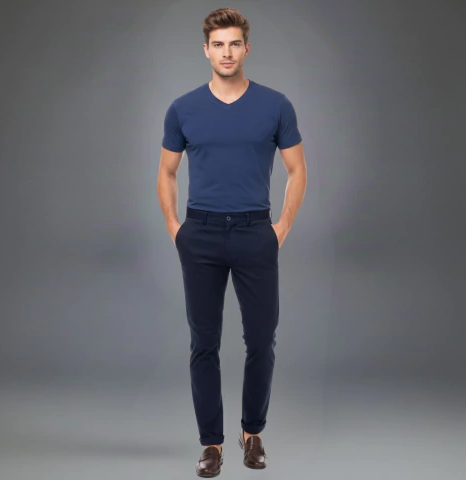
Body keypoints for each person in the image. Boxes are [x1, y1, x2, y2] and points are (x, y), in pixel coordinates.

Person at [157, 7, 307, 477]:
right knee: (204, 342)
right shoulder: (183, 108)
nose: (226, 52)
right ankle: (212, 444)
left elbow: (297, 170)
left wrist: (281, 227)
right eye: (218, 45)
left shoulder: (275, 105)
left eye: (234, 44)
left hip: (254, 232)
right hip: (199, 233)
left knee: (261, 339)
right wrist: (175, 228)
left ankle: (252, 433)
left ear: (246, 48)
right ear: (206, 50)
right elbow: (166, 172)